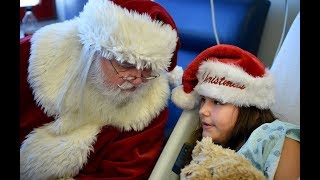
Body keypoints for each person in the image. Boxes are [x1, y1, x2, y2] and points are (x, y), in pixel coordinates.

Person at [20, 0, 183, 179]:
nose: (137, 80)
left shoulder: (150, 104)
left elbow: (125, 173)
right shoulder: (33, 56)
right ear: (93, 50)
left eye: (148, 69)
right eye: (126, 64)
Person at [171, 44, 300, 180]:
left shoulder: (276, 138)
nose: (203, 110)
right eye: (203, 99)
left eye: (218, 102)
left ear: (250, 109)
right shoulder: (203, 147)